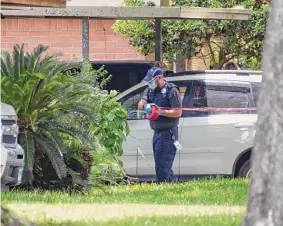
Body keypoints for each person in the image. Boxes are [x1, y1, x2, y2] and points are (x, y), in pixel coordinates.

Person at [137, 67, 182, 182]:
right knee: (162, 164)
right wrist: (143, 105)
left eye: (151, 81)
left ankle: (163, 188)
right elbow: (142, 101)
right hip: (157, 133)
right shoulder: (150, 90)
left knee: (162, 167)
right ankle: (172, 187)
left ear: (160, 78)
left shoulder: (171, 91)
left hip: (168, 133)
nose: (150, 84)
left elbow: (178, 112)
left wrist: (160, 111)